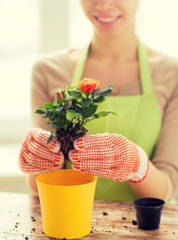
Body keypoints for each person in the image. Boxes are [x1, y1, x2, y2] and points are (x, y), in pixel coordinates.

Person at [19, 0, 178, 203]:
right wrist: (37, 160)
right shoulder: (48, 71)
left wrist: (138, 166)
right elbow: (38, 187)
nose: (104, 4)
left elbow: (168, 189)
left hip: (144, 228)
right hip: (67, 217)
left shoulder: (172, 74)